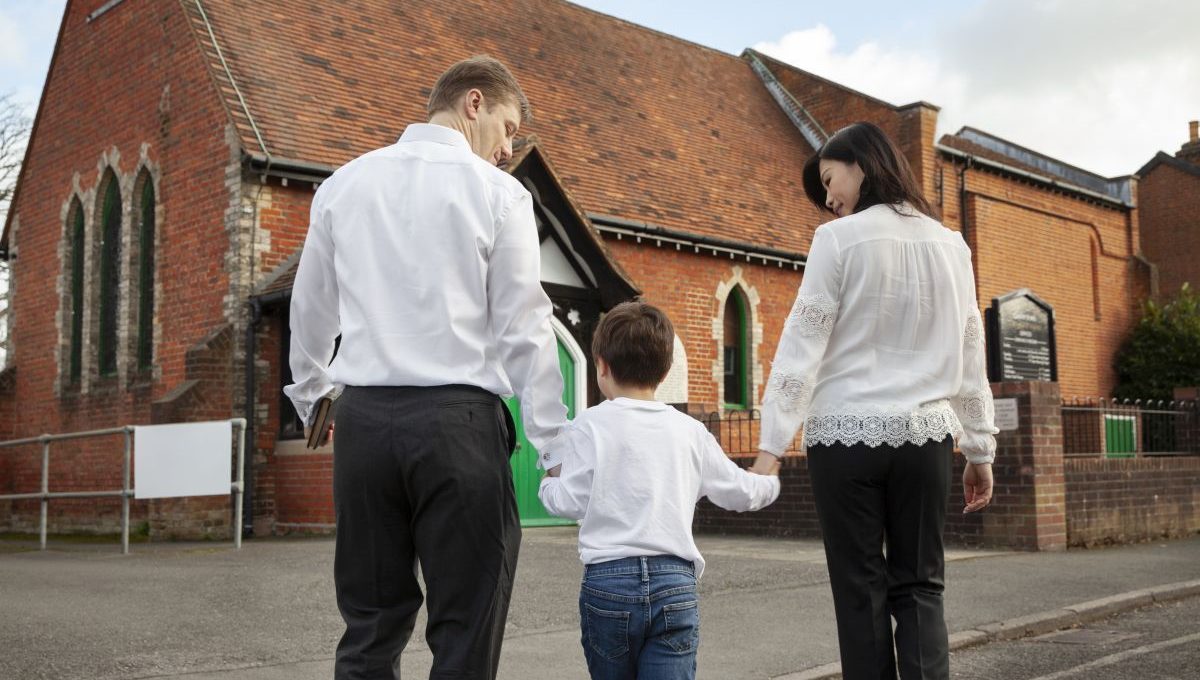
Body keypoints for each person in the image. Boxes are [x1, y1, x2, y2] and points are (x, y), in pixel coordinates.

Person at [284, 55, 570, 679]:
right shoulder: (499, 195)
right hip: (458, 426)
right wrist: (552, 442)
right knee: (465, 627)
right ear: (474, 104)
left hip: (363, 429)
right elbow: (524, 325)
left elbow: (309, 309)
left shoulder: (344, 184)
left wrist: (313, 395)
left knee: (370, 625)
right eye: (508, 127)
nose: (508, 148)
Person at [750, 122, 999, 680]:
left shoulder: (836, 241)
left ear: (861, 162)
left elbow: (801, 344)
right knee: (922, 586)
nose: (829, 199)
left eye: (829, 179)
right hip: (925, 441)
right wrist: (979, 449)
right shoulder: (951, 245)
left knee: (859, 589)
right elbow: (968, 350)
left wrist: (771, 446)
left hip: (844, 439)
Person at [539, 301, 781, 679]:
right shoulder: (690, 432)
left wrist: (547, 486)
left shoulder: (588, 426)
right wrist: (768, 479)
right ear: (665, 369)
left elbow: (569, 502)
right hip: (674, 582)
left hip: (608, 581)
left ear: (601, 365)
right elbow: (740, 492)